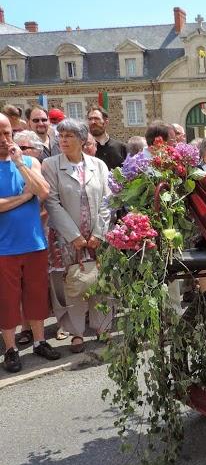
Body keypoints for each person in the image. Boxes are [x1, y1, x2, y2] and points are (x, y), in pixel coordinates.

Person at [42, 118, 112, 353]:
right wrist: (74, 236)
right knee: (72, 283)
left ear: (82, 140)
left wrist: (99, 234)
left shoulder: (98, 165)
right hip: (65, 238)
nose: (63, 140)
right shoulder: (50, 165)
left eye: (69, 136)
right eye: (61, 136)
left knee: (99, 280)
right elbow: (52, 202)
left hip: (97, 236)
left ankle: (102, 326)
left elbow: (107, 200)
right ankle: (76, 332)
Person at [0, 113, 61, 372]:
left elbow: (44, 191)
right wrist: (25, 197)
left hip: (34, 243)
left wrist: (20, 165)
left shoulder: (28, 161)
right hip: (4, 248)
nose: (4, 140)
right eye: (0, 135)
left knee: (36, 296)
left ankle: (39, 341)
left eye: (7, 133)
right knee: (7, 300)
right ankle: (11, 349)